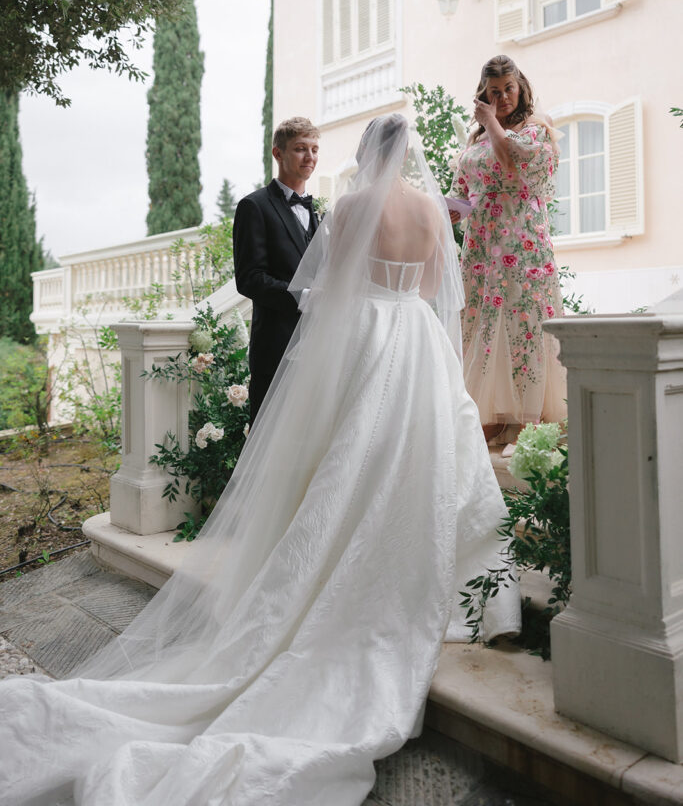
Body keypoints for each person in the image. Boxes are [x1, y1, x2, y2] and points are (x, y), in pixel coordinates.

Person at [0, 114, 520, 806]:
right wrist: (397, 305)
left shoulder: (350, 208)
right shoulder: (429, 209)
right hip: (416, 340)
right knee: (423, 467)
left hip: (363, 336)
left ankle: (329, 571)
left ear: (367, 154)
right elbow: (433, 291)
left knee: (344, 465)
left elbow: (328, 292)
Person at [453, 55, 566, 452]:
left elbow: (510, 162)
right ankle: (491, 416)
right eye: (494, 91)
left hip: (520, 242)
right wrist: (450, 209)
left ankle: (525, 420)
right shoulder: (477, 138)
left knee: (521, 322)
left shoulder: (536, 128)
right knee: (483, 322)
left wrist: (491, 121)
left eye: (509, 90)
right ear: (484, 90)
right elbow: (467, 187)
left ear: (521, 89)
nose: (501, 97)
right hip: (482, 242)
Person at [233, 116, 320, 424]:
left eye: (314, 149)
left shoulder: (318, 210)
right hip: (275, 346)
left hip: (317, 345)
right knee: (268, 436)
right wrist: (304, 298)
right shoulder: (253, 207)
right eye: (300, 149)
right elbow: (249, 279)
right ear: (278, 154)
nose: (309, 157)